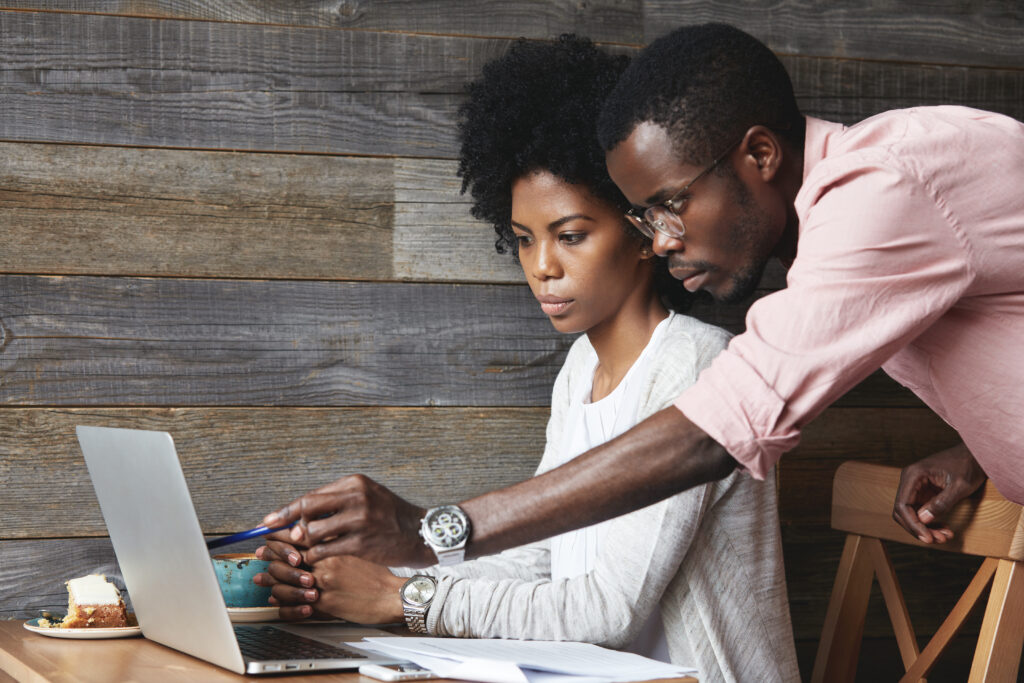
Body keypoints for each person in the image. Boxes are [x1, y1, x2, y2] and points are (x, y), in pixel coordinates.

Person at [260, 23, 1023, 573]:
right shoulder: (858, 228)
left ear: (760, 154)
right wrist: (982, 450)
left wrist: (433, 531)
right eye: (643, 218)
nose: (659, 241)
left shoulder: (880, 189)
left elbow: (718, 431)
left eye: (670, 206)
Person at [256, 35, 799, 681]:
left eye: (570, 235)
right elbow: (540, 560)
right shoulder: (579, 376)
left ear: (645, 231)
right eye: (522, 240)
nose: (542, 267)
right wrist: (365, 578)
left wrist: (401, 599)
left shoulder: (697, 365)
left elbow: (608, 608)